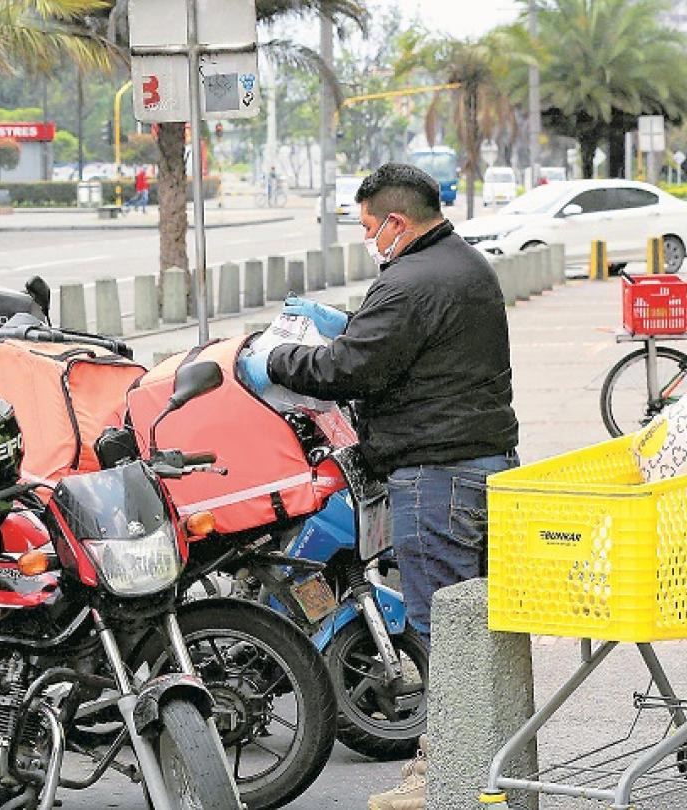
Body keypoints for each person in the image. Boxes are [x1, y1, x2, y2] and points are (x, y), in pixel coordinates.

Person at [238, 163, 519, 810]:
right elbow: (400, 343)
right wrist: (343, 320)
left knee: (441, 631)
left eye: (369, 227)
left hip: (436, 475)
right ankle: (485, 765)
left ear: (396, 220)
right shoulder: (463, 265)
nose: (369, 239)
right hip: (480, 465)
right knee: (476, 626)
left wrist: (271, 360)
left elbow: (350, 368)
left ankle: (444, 776)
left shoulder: (410, 280)